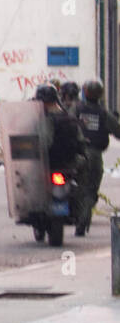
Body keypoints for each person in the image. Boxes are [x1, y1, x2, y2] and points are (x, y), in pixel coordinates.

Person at [37, 84, 89, 230]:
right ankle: (80, 211)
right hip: (69, 164)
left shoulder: (45, 120)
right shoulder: (70, 118)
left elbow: (44, 142)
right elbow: (81, 141)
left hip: (48, 163)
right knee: (83, 179)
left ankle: (33, 209)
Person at [73, 80, 120, 235]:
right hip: (94, 156)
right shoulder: (103, 113)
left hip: (76, 154)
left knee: (79, 188)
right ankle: (83, 220)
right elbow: (117, 131)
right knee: (91, 190)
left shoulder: (76, 109)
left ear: (85, 92)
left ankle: (79, 218)